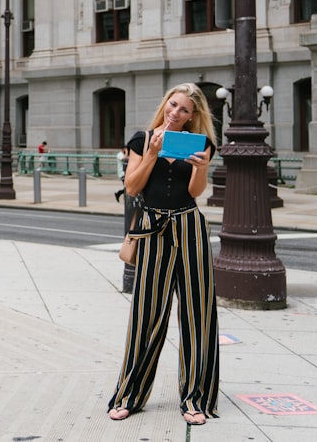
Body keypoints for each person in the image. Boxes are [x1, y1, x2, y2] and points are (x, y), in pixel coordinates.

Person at [107, 82, 218, 426]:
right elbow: (131, 187)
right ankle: (130, 395)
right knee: (146, 313)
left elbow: (196, 192)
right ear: (165, 104)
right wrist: (152, 154)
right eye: (173, 105)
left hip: (189, 228)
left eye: (184, 110)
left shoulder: (202, 144)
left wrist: (200, 167)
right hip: (152, 229)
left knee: (197, 314)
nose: (176, 113)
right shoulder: (142, 139)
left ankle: (194, 399)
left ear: (193, 115)